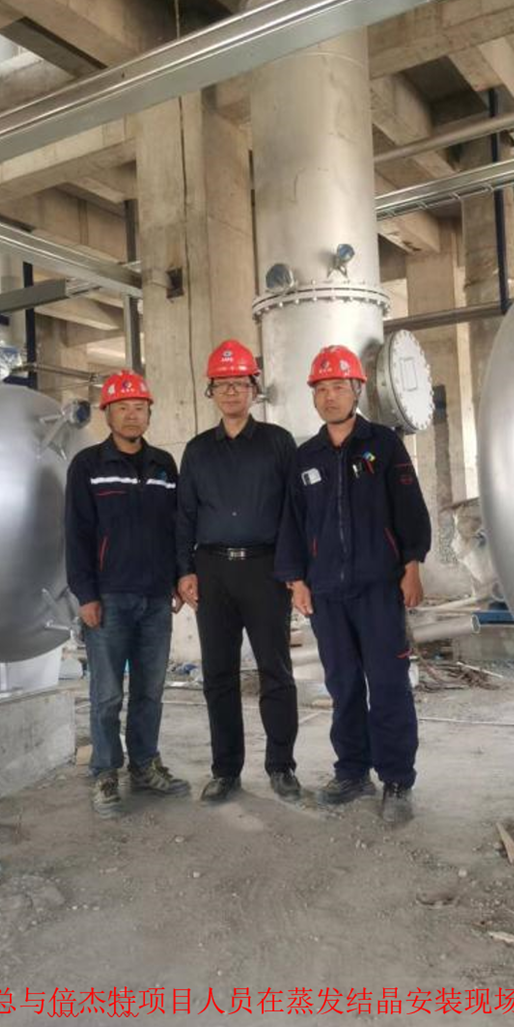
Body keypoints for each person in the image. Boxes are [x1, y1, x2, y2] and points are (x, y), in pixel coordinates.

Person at [275, 345, 431, 823]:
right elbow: (292, 523)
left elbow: (409, 508)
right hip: (327, 592)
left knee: (388, 685)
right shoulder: (306, 456)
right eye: (321, 389)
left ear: (357, 390)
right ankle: (352, 772)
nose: (329, 396)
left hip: (379, 588)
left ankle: (397, 779)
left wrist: (412, 565)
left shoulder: (383, 444)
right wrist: (296, 580)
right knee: (343, 686)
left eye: (338, 386)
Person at [177, 339, 301, 803]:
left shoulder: (278, 443)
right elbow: (184, 515)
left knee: (276, 671)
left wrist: (293, 571)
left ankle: (281, 766)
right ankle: (226, 770)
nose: (231, 391)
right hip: (212, 572)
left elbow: (294, 512)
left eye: (239, 383)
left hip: (266, 570)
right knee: (219, 675)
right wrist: (184, 571)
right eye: (222, 384)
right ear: (210, 391)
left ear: (254, 389)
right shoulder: (196, 451)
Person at [65, 370, 190, 818]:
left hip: (155, 598)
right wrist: (86, 595)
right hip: (109, 598)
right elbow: (77, 533)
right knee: (107, 694)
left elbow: (177, 527)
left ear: (149, 413)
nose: (132, 415)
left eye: (139, 407)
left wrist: (179, 576)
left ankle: (144, 765)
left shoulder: (164, 465)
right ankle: (104, 772)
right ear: (108, 415)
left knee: (150, 691)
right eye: (122, 408)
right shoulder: (88, 465)